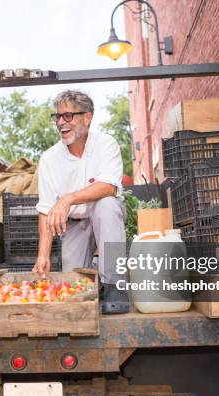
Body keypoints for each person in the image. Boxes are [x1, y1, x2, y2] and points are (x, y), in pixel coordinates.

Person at [32, 90, 130, 314]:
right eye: (57, 117)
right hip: (75, 223)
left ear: (87, 117)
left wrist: (68, 198)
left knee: (106, 205)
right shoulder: (49, 159)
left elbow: (109, 186)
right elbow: (46, 210)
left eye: (68, 116)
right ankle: (95, 286)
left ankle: (114, 285)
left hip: (103, 215)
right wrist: (43, 256)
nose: (60, 123)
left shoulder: (106, 144)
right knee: (76, 292)